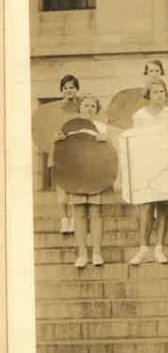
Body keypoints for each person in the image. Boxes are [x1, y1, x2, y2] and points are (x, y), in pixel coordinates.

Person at [54, 95, 113, 268]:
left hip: (97, 175)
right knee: (79, 214)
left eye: (93, 106)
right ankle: (82, 254)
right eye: (86, 105)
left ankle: (96, 253)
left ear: (97, 109)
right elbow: (62, 150)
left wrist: (107, 140)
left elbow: (112, 152)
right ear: (80, 108)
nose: (89, 108)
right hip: (76, 175)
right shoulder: (70, 126)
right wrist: (58, 139)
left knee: (96, 214)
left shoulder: (103, 127)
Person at [130, 78, 168, 266]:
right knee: (146, 207)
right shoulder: (139, 115)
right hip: (146, 165)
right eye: (155, 92)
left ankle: (159, 248)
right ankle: (143, 247)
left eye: (162, 91)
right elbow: (135, 141)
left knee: (163, 207)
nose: (159, 95)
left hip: (166, 164)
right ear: (148, 94)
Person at [52, 74, 82, 235]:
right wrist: (56, 135)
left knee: (75, 186)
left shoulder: (81, 107)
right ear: (61, 90)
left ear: (77, 89)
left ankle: (75, 220)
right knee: (62, 187)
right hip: (60, 150)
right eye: (65, 88)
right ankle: (65, 219)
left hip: (76, 150)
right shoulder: (56, 109)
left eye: (71, 87)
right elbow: (49, 127)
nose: (68, 90)